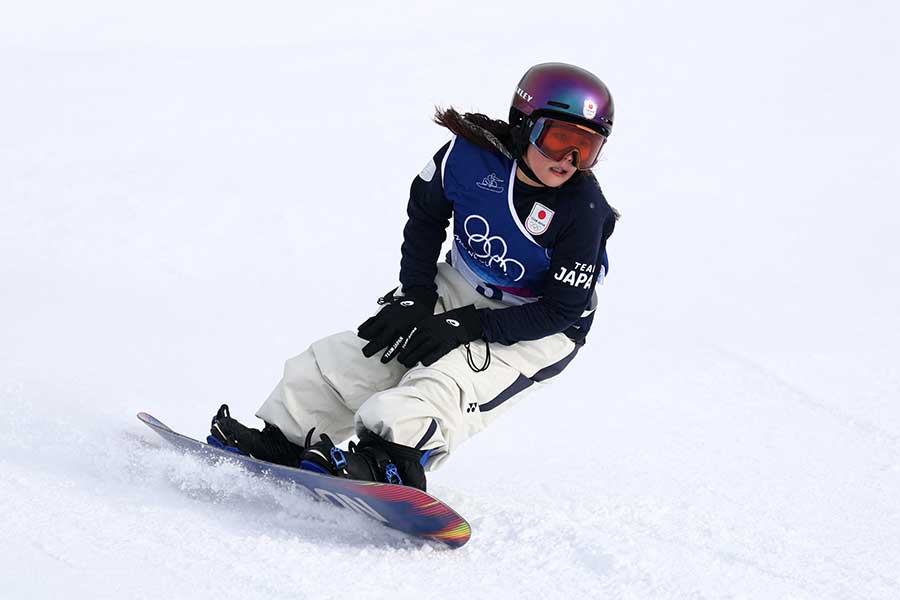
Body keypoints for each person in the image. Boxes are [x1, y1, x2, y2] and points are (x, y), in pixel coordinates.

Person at [208, 62, 618, 492]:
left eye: (585, 149)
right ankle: (286, 438)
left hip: (539, 326)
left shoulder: (583, 210)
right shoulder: (467, 158)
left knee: (447, 378)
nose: (568, 160)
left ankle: (390, 459)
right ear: (523, 124)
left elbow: (562, 309)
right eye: (557, 140)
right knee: (367, 353)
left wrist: (469, 325)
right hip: (460, 283)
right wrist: (417, 295)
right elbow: (426, 216)